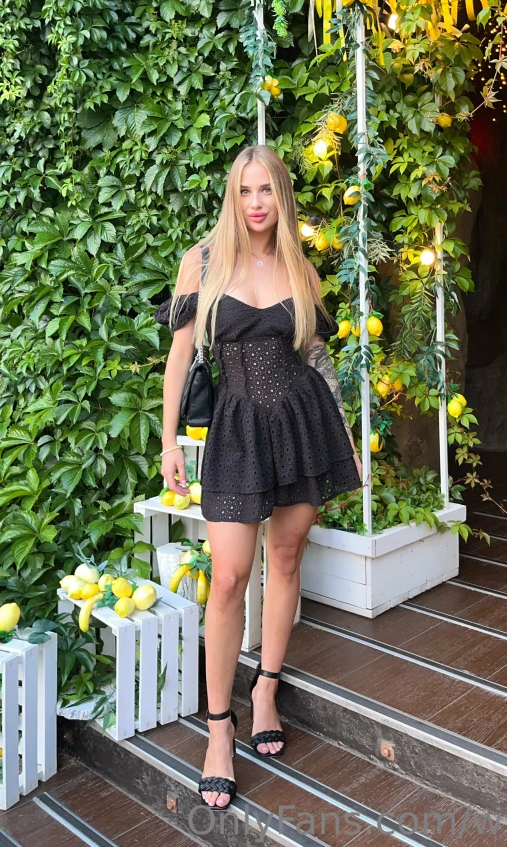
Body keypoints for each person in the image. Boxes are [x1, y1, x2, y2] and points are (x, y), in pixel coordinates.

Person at [157, 144, 363, 810]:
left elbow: (318, 358)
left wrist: (346, 437)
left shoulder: (301, 267)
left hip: (302, 425)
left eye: (266, 190)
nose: (255, 203)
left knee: (287, 556)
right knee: (228, 578)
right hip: (236, 430)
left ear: (281, 197)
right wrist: (168, 441)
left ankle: (266, 688)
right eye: (245, 191)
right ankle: (219, 729)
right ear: (233, 196)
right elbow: (180, 357)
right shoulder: (203, 261)